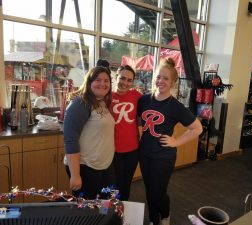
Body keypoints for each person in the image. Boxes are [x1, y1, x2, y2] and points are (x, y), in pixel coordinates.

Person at [137, 58, 203, 225]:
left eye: (166, 78)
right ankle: (153, 219)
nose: (161, 81)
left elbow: (197, 128)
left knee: (158, 191)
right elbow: (137, 120)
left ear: (173, 82)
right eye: (158, 77)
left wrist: (176, 142)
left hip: (164, 156)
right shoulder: (144, 100)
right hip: (144, 153)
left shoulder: (175, 106)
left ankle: (165, 215)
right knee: (149, 190)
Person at [63, 66, 115, 199]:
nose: (103, 83)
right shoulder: (80, 103)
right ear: (89, 82)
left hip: (104, 166)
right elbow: (70, 140)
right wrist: (75, 175)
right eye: (98, 80)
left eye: (106, 80)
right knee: (87, 208)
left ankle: (103, 219)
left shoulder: (101, 102)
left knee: (106, 203)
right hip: (86, 167)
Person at [111, 65, 142, 200]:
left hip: (132, 150)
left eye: (129, 80)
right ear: (116, 77)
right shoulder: (107, 96)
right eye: (122, 78)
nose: (125, 83)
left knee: (126, 184)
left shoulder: (137, 96)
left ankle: (122, 214)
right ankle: (109, 215)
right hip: (111, 150)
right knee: (112, 185)